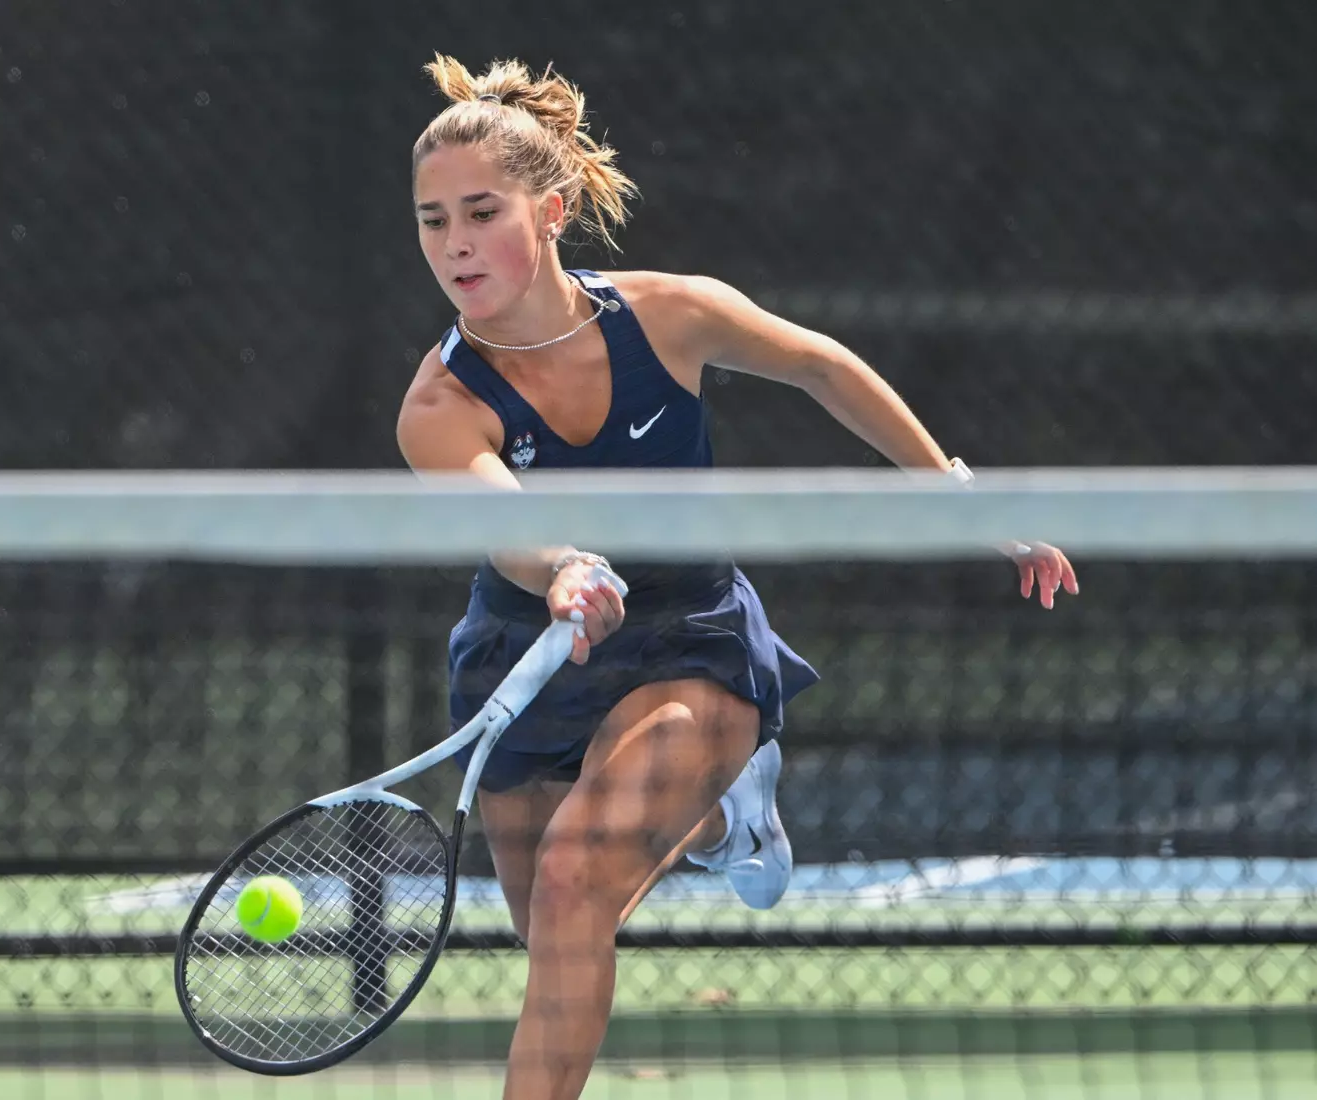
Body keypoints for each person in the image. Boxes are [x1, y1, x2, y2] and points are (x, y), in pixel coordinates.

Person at [395, 54, 1078, 1100]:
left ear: (553, 209)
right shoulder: (440, 404)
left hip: (686, 638)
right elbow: (503, 521)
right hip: (530, 650)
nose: (454, 243)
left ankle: (724, 766)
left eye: (479, 211)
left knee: (578, 884)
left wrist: (958, 491)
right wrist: (566, 565)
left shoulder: (669, 316)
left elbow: (821, 364)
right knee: (555, 930)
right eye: (433, 219)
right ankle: (725, 819)